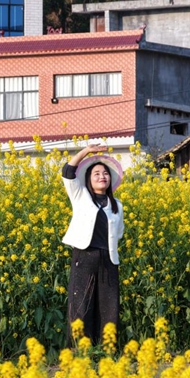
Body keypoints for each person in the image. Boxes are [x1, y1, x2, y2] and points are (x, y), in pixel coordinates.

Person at [61, 145, 124, 346]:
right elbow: (68, 172)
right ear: (88, 179)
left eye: (105, 173)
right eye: (96, 173)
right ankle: (80, 349)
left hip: (108, 259)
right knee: (81, 304)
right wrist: (86, 151)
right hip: (84, 255)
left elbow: (119, 232)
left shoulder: (117, 205)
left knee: (109, 305)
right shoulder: (80, 196)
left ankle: (107, 349)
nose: (102, 176)